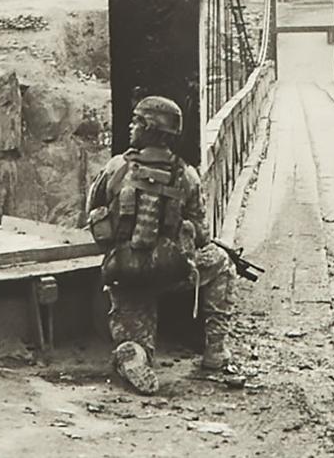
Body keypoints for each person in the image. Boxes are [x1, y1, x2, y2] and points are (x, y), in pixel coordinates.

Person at [83, 96, 238, 395]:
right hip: (172, 272)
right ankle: (215, 349)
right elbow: (203, 235)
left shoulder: (116, 167)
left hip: (125, 273)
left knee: (135, 338)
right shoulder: (188, 174)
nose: (130, 126)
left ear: (147, 127)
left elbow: (93, 213)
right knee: (223, 261)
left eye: (135, 121)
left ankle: (136, 354)